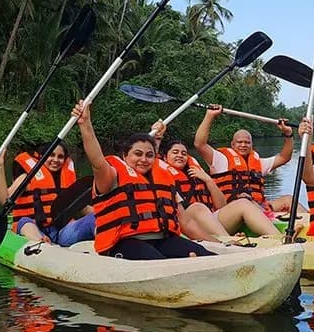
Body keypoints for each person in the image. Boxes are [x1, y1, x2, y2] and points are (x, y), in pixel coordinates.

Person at [73, 99, 215, 260]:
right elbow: (97, 161)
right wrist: (85, 124)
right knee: (158, 262)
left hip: (163, 239)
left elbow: (186, 222)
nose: (144, 159)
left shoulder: (164, 179)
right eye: (138, 154)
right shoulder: (112, 176)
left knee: (206, 255)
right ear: (125, 156)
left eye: (149, 155)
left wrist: (220, 244)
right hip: (125, 242)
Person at [160, 139, 280, 239]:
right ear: (165, 157)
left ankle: (279, 239)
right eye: (175, 152)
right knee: (197, 207)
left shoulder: (197, 174)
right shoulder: (160, 173)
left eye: (184, 153)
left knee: (243, 203)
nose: (180, 156)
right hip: (186, 225)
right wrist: (158, 138)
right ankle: (229, 242)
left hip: (211, 223)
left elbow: (221, 206)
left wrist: (208, 180)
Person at [194, 104, 296, 213]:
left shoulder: (258, 163)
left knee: (289, 200)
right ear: (232, 144)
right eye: (240, 142)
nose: (243, 145)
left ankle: (306, 222)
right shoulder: (221, 159)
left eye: (247, 142)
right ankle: (265, 216)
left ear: (252, 145)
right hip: (231, 211)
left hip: (259, 208)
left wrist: (288, 133)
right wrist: (210, 116)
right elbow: (200, 144)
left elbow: (284, 157)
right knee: (245, 201)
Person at [0, 142, 95, 246]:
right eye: (51, 155)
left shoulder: (67, 178)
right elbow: (4, 200)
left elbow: (82, 207)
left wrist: (101, 214)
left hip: (61, 232)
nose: (55, 160)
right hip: (33, 228)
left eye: (60, 157)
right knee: (25, 222)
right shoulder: (27, 176)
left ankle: (103, 246)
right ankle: (41, 243)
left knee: (94, 218)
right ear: (42, 156)